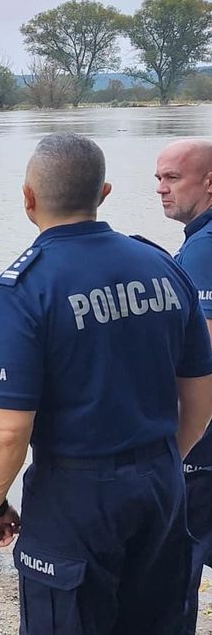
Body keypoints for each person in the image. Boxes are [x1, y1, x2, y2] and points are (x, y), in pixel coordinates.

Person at [0, 133, 212, 635]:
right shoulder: (164, 265)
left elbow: (6, 428)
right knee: (160, 618)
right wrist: (164, 459)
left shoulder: (26, 286)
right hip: (162, 485)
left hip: (75, 494)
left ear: (28, 198)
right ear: (103, 193)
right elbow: (200, 392)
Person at [155, 138, 212, 631]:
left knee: (181, 562)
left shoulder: (204, 250)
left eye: (172, 178)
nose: (160, 188)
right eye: (158, 178)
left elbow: (201, 357)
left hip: (204, 442)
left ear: (209, 181)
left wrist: (176, 440)